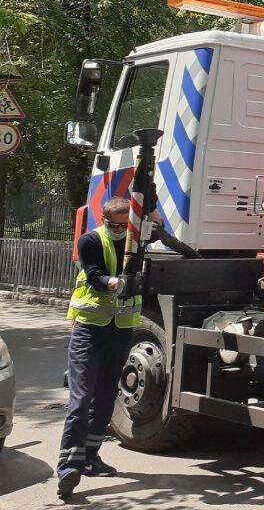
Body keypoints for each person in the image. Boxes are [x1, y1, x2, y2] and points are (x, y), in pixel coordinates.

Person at [56, 195, 142, 497]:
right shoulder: (91, 240)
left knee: (106, 396)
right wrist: (113, 282)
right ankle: (68, 467)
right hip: (89, 330)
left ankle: (90, 457)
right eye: (115, 224)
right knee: (81, 399)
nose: (120, 229)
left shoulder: (135, 242)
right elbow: (93, 276)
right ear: (105, 220)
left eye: (125, 224)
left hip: (119, 331)